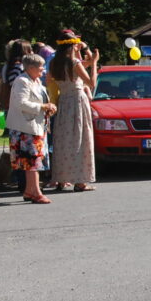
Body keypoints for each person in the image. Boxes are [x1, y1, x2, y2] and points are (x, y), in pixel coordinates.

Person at [48, 29, 97, 190]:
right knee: (81, 138)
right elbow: (91, 83)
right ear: (71, 46)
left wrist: (87, 52)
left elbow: (50, 81)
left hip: (64, 101)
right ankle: (80, 181)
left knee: (64, 140)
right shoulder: (74, 63)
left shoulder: (55, 63)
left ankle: (61, 179)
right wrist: (95, 63)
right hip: (77, 100)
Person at [7, 54, 56, 203]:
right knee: (32, 161)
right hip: (25, 128)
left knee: (34, 161)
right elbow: (20, 103)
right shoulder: (22, 81)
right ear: (30, 68)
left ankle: (30, 191)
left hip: (36, 127)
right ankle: (35, 192)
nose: (43, 69)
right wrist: (42, 107)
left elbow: (40, 101)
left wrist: (48, 108)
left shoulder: (36, 82)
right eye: (41, 66)